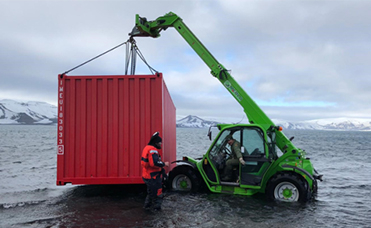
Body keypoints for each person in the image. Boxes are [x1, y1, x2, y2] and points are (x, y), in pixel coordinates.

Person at [141, 132, 169, 211]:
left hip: (147, 175)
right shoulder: (152, 150)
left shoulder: (147, 148)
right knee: (157, 193)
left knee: (150, 193)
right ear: (156, 143)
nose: (161, 145)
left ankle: (147, 208)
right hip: (153, 176)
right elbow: (154, 163)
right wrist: (164, 164)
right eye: (160, 143)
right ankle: (156, 210)